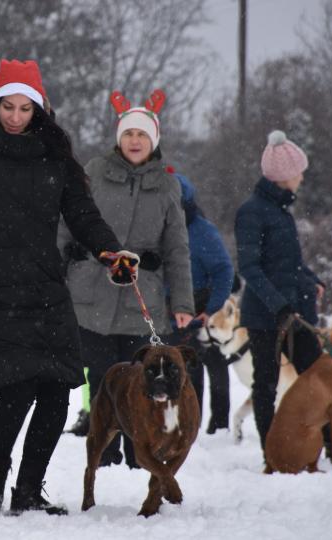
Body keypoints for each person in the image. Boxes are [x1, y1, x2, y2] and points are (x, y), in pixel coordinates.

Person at [0, 59, 135, 515]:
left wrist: (111, 251)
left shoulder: (55, 156)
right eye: (7, 107)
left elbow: (83, 215)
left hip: (44, 286)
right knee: (19, 385)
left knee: (58, 389)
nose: (15, 117)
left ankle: (29, 490)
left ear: (39, 109)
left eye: (24, 108)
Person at [61, 91, 194, 470]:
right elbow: (67, 224)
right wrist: (62, 265)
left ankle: (142, 454)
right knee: (102, 379)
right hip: (92, 295)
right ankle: (103, 452)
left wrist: (182, 303)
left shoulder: (168, 186)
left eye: (142, 135)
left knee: (144, 379)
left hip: (142, 299)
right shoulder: (93, 174)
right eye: (129, 133)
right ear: (119, 137)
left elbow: (177, 249)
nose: (135, 141)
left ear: (153, 141)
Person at [235, 130, 325, 460]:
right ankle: (271, 450)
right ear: (286, 176)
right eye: (299, 171)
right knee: (266, 384)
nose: (302, 177)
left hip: (296, 312)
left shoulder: (281, 212)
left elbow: (291, 264)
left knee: (317, 378)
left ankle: (329, 445)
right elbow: (250, 267)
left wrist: (313, 281)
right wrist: (279, 305)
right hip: (265, 315)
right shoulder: (252, 211)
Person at [171, 173, 234, 434]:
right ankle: (188, 424)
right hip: (170, 308)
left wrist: (212, 309)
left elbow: (223, 270)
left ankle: (218, 426)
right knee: (184, 370)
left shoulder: (201, 231)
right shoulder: (156, 227)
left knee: (213, 368)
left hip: (202, 308)